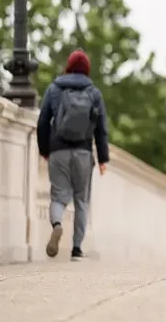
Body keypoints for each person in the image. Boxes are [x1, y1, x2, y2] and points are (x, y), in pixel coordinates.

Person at [36, 49, 110, 261]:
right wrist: (103, 158)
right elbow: (101, 128)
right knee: (81, 201)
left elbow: (42, 122)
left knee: (59, 197)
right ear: (87, 69)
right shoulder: (93, 93)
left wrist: (44, 150)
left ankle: (57, 224)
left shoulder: (54, 89)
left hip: (58, 151)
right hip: (83, 152)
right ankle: (77, 249)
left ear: (68, 66)